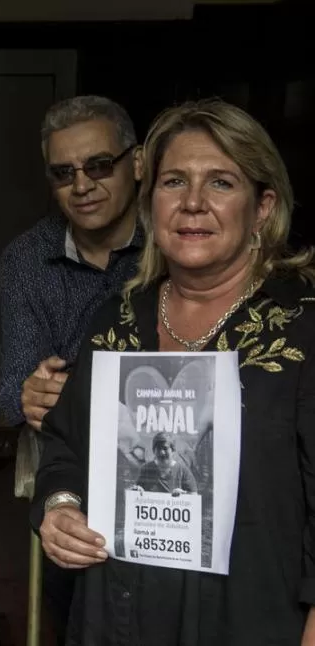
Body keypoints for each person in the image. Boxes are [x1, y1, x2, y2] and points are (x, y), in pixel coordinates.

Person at [34, 98, 315, 645]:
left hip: (252, 621)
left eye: (221, 183)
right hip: (117, 614)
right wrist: (59, 508)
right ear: (150, 202)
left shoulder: (301, 329)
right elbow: (66, 447)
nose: (192, 204)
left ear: (262, 208)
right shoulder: (119, 317)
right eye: (173, 182)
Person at [0, 95, 142, 644]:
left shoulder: (178, 239)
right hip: (74, 469)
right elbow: (14, 388)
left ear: (139, 162)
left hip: (170, 463)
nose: (82, 185)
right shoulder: (26, 258)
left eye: (99, 165)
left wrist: (74, 388)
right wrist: (28, 393)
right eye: (64, 173)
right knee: (76, 614)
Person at [131, 433, 197, 496]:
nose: (162, 452)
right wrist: (138, 490)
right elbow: (137, 492)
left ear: (173, 450)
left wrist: (184, 494)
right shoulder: (146, 469)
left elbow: (194, 497)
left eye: (165, 448)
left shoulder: (183, 471)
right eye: (158, 449)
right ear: (154, 451)